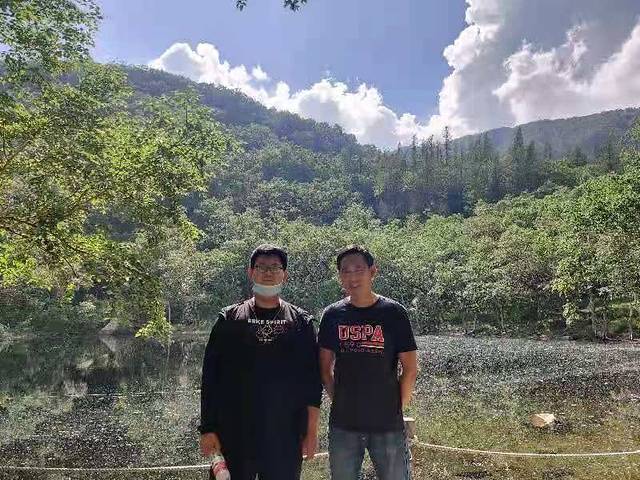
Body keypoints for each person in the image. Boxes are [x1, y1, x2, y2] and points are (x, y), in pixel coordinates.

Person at [199, 244, 322, 480]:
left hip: (285, 435)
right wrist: (207, 429)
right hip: (233, 432)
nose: (268, 272)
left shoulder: (301, 322)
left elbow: (312, 383)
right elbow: (210, 379)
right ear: (250, 273)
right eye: (261, 267)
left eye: (275, 267)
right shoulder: (229, 319)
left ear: (285, 275)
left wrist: (311, 432)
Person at [318, 245, 418, 480]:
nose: (352, 277)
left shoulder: (394, 313)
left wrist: (396, 405)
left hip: (388, 425)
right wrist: (340, 400)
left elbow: (410, 368)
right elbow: (324, 369)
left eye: (359, 269)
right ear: (340, 276)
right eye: (345, 271)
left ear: (373, 272)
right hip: (343, 425)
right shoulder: (332, 315)